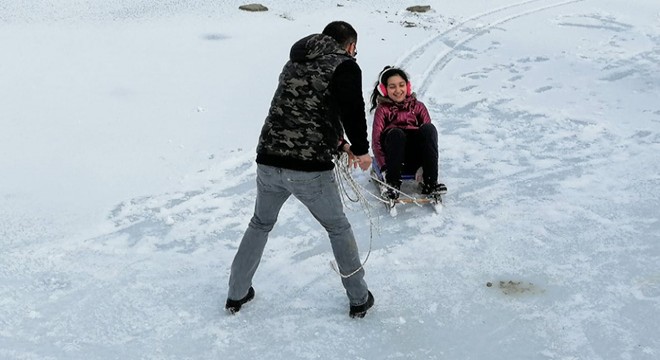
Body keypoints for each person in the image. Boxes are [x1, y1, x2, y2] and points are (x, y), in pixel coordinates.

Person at [225, 21, 374, 318]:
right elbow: (352, 109)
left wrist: (340, 144)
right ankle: (359, 298)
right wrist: (360, 148)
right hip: (309, 168)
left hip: (269, 158)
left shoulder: (296, 59)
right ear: (351, 46)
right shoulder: (345, 65)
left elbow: (306, 110)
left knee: (260, 223)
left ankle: (236, 293)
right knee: (338, 227)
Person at [370, 66, 448, 200]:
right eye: (392, 87)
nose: (398, 90)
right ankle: (393, 184)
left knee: (429, 128)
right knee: (396, 133)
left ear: (408, 86)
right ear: (384, 90)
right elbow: (376, 141)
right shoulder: (382, 110)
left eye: (401, 85)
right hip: (393, 157)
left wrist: (425, 165)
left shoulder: (419, 107)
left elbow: (429, 138)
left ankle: (430, 182)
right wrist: (383, 167)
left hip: (414, 155)